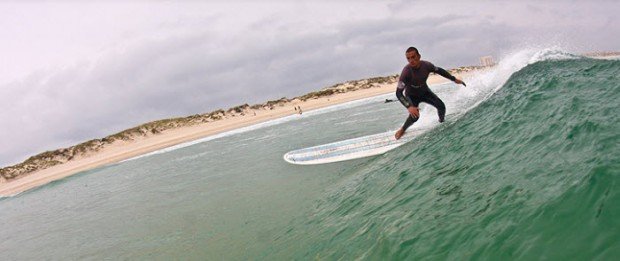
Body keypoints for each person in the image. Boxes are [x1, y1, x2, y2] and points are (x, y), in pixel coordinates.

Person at [394, 47, 466, 139]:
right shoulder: (406, 72)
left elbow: (440, 71)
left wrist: (454, 79)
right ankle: (403, 130)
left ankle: (441, 122)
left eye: (413, 57)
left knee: (441, 106)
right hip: (412, 95)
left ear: (419, 56)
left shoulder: (426, 65)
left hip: (424, 92)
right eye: (408, 58)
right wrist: (409, 106)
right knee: (415, 116)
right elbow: (398, 93)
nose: (411, 60)